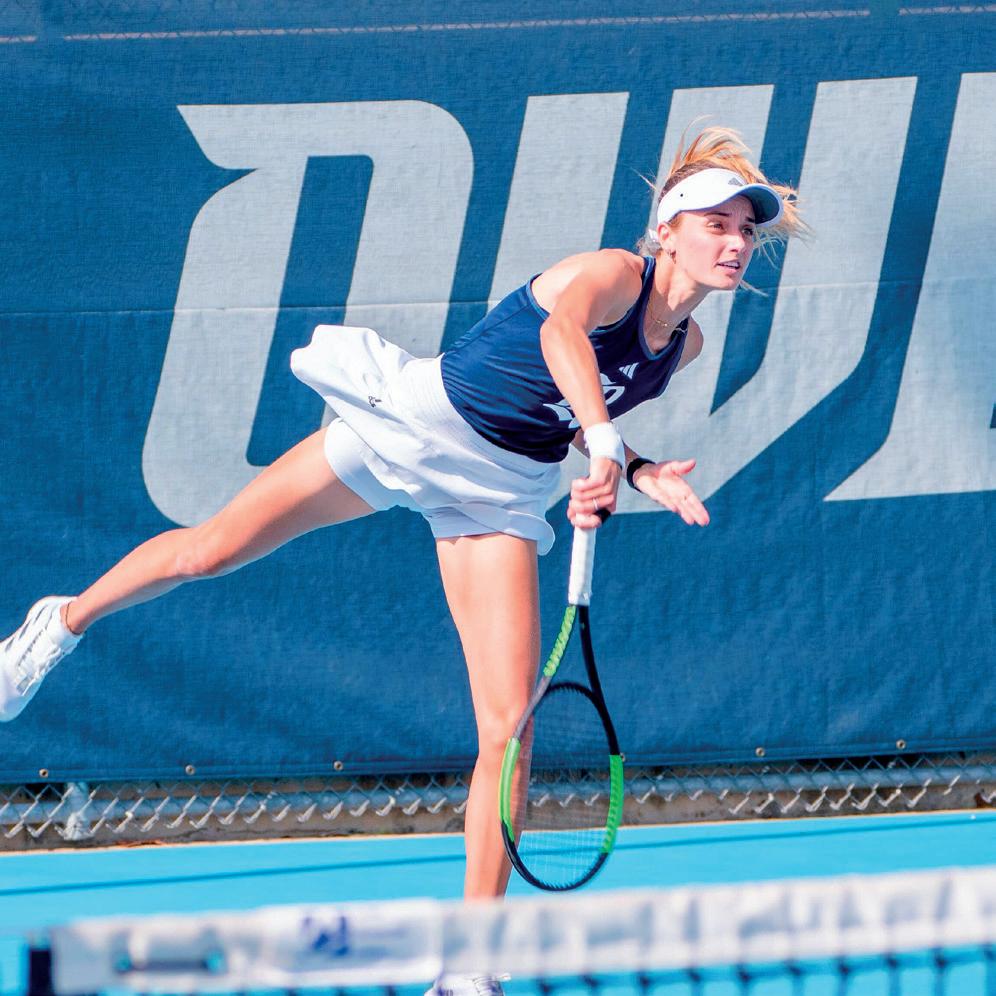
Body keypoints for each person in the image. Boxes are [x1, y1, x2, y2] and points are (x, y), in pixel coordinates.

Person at [0, 127, 802, 917]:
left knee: (508, 731)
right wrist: (601, 440)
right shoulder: (612, 275)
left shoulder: (685, 345)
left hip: (500, 492)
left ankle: (473, 962)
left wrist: (637, 466)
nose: (735, 243)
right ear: (668, 230)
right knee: (209, 552)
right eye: (716, 224)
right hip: (418, 425)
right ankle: (60, 623)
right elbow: (562, 337)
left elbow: (563, 410)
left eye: (745, 229)